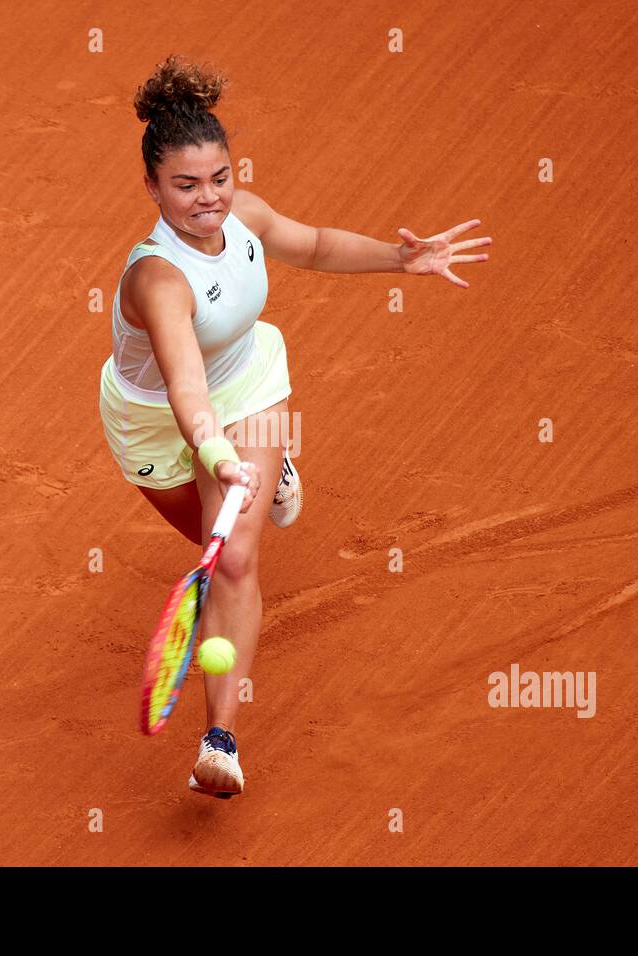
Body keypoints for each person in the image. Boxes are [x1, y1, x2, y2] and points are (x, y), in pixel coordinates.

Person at [98, 54, 492, 798]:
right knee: (207, 537)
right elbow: (184, 384)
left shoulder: (242, 215)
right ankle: (267, 468)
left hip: (246, 382)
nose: (207, 199)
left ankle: (220, 740)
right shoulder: (157, 278)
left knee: (237, 561)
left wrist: (401, 260)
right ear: (151, 187)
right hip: (158, 425)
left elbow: (309, 245)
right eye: (184, 186)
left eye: (219, 179)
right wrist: (217, 456)